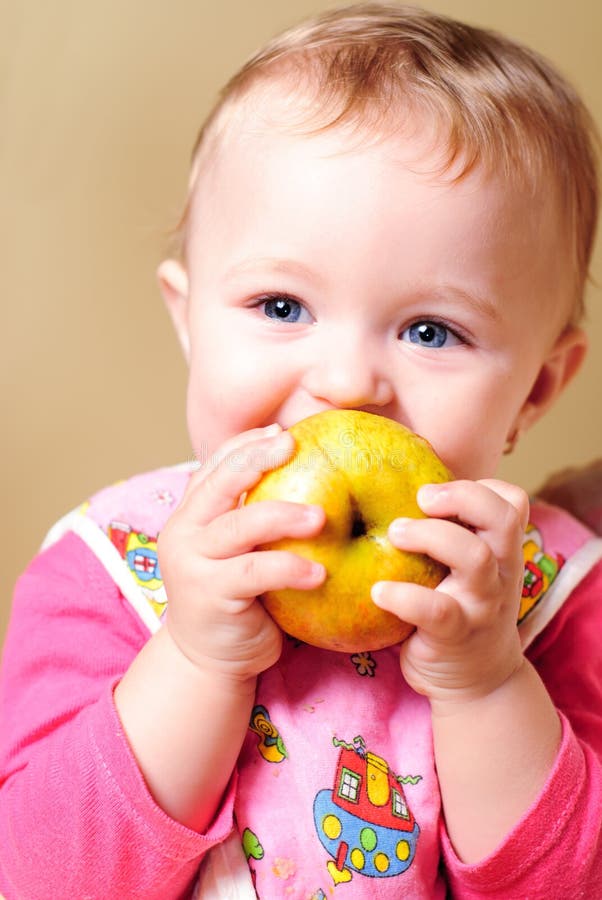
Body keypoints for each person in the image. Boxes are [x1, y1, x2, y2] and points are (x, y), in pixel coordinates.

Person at [1, 3, 601, 897]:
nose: (350, 384)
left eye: (432, 331)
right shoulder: (109, 567)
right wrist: (196, 660)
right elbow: (39, 877)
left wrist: (486, 687)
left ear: (538, 391)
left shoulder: (555, 592)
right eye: (282, 307)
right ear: (190, 320)